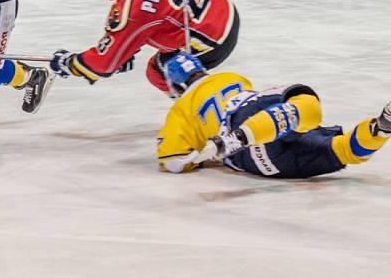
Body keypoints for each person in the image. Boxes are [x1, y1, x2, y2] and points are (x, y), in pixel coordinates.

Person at [157, 52, 391, 178]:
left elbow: (172, 161)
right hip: (257, 112)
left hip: (257, 160)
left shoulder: (179, 110)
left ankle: (237, 139)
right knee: (307, 104)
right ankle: (380, 129)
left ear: (176, 88)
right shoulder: (230, 76)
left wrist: (199, 158)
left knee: (343, 152)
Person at [49, 0, 239, 96]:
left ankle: (202, 113)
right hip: (222, 7)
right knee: (162, 63)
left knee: (161, 72)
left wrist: (70, 63)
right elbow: (157, 17)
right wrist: (126, 52)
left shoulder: (132, 10)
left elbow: (104, 63)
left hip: (214, 39)